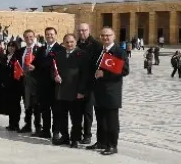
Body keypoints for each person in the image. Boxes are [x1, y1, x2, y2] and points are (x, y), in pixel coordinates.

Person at [88, 27, 129, 155]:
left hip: (111, 92)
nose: (105, 38)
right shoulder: (100, 51)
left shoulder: (119, 52)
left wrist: (104, 75)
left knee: (111, 121)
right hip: (99, 91)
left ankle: (112, 145)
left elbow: (124, 70)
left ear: (114, 36)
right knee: (100, 119)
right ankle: (101, 142)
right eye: (103, 35)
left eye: (108, 35)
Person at [51, 33, 89, 147]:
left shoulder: (82, 55)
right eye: (67, 42)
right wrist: (54, 76)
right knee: (62, 116)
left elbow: (85, 75)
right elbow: (53, 69)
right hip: (61, 91)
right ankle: (65, 137)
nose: (69, 44)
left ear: (75, 42)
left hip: (75, 92)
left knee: (76, 118)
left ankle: (75, 139)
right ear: (64, 43)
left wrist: (81, 91)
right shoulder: (59, 54)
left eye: (71, 42)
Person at [31, 27, 61, 139]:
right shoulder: (42, 49)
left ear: (55, 35)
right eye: (47, 34)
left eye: (51, 34)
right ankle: (46, 130)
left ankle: (56, 131)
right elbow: (35, 63)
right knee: (45, 109)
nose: (49, 36)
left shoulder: (60, 49)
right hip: (43, 85)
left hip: (54, 86)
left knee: (56, 110)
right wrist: (32, 66)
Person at [76, 23, 101, 145]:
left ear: (89, 30)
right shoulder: (76, 44)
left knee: (87, 111)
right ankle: (77, 133)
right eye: (80, 30)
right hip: (77, 83)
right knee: (77, 110)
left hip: (90, 83)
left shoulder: (96, 45)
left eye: (84, 30)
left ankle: (87, 135)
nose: (82, 33)